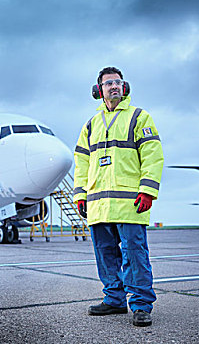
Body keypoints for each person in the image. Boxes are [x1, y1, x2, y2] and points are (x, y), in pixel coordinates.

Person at [73, 66, 164, 327]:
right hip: (99, 205)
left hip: (130, 204)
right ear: (97, 90)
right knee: (105, 254)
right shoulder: (90, 125)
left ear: (125, 88)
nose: (114, 86)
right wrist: (81, 194)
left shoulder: (139, 117)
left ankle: (141, 305)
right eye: (108, 83)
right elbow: (81, 162)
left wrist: (147, 190)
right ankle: (114, 299)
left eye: (118, 82)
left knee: (135, 254)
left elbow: (153, 156)